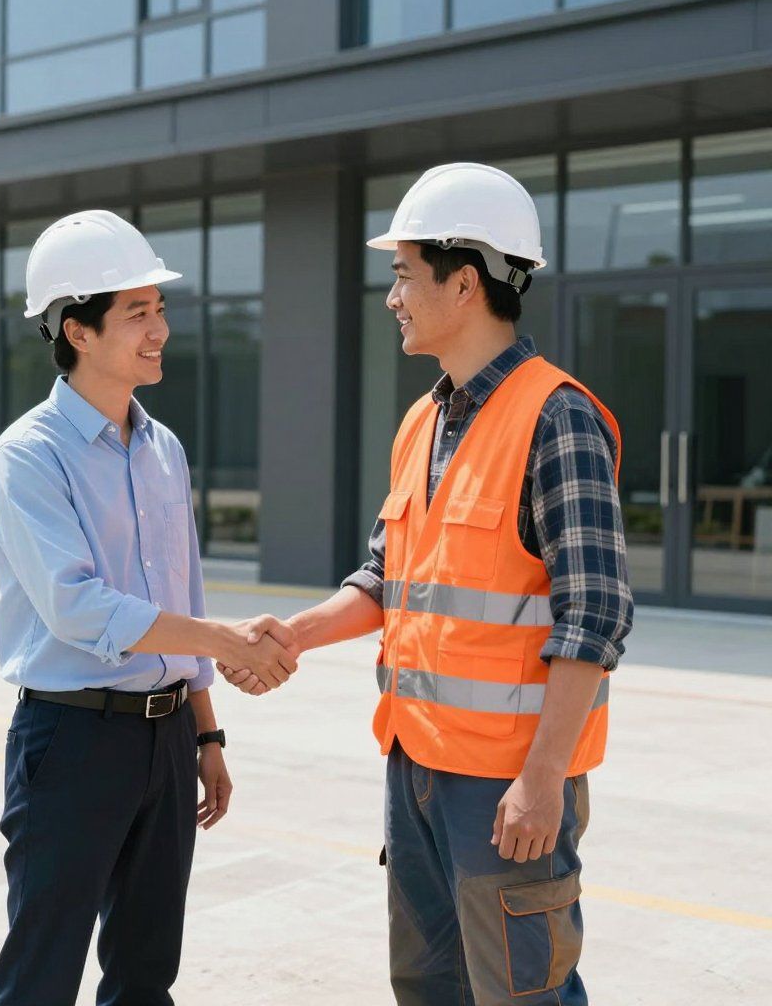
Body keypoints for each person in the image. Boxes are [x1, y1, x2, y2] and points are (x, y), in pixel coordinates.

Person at [220, 164, 633, 1005]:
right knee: (427, 987)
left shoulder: (558, 417)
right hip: (414, 764)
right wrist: (293, 635)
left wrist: (543, 780)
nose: (393, 296)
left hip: (506, 785)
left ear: (467, 281)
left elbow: (594, 615)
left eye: (405, 273)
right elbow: (386, 579)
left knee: (523, 993)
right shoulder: (424, 419)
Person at [0, 210, 297, 1006]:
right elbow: (80, 608)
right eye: (138, 313)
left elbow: (177, 594)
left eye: (160, 309)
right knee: (42, 974)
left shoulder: (162, 448)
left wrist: (207, 730)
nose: (160, 329)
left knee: (147, 972)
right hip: (71, 739)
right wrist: (225, 638)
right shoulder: (29, 455)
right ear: (77, 330)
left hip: (163, 743)